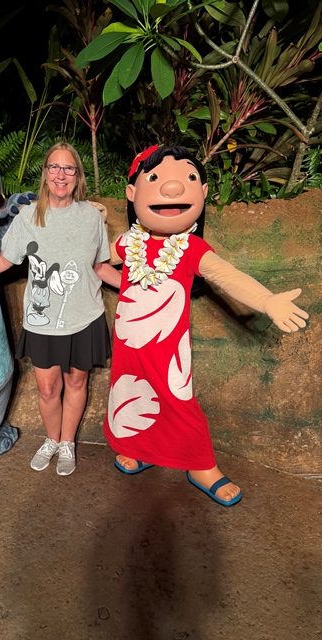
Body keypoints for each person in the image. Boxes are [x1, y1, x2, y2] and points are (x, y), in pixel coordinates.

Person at [104, 145, 309, 506]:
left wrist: (265, 300)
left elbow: (227, 275)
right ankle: (139, 449)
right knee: (127, 395)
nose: (172, 188)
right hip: (128, 344)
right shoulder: (128, 243)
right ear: (132, 193)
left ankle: (201, 466)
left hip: (169, 350)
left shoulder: (190, 248)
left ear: (202, 192)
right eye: (156, 178)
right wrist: (86, 222)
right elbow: (94, 259)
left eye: (188, 177)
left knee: (178, 401)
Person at [0, 141, 121, 476]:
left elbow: (100, 267)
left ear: (77, 176)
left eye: (68, 168)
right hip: (42, 319)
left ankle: (67, 443)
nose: (61, 175)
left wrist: (137, 287)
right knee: (48, 388)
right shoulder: (27, 217)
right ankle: (51, 439)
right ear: (45, 173)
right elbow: (5, 261)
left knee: (76, 383)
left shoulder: (91, 217)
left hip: (84, 316)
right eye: (54, 167)